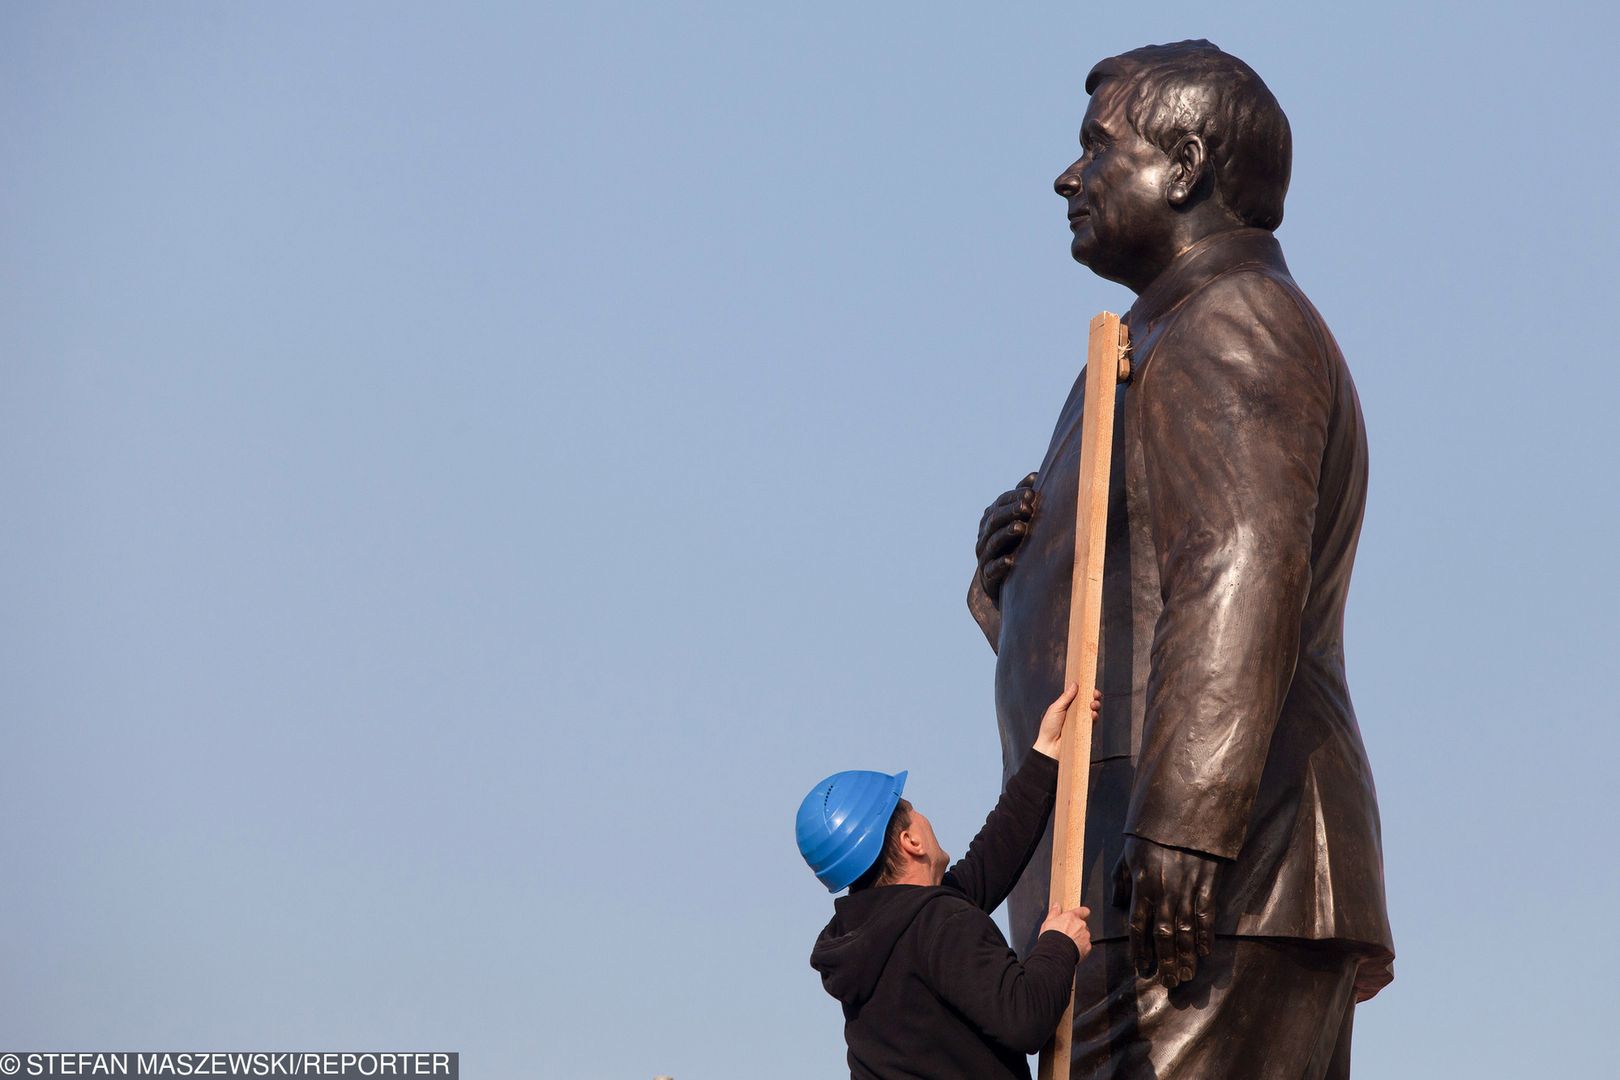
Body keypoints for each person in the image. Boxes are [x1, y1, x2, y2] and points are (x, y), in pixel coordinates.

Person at [968, 40, 1394, 1079]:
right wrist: (1011, 591)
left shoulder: (1233, 320)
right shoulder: (1140, 347)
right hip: (1128, 861)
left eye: (1096, 149)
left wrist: (1190, 824)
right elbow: (1144, 591)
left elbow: (1236, 567)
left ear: (1187, 164)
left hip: (1212, 869)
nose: (1069, 178)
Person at [798, 685, 1101, 1080]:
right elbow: (1024, 1017)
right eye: (912, 809)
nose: (924, 816)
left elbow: (988, 862)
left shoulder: (874, 939)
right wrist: (1059, 946)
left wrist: (1046, 753)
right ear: (911, 841)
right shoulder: (940, 923)